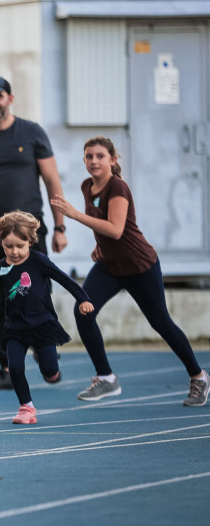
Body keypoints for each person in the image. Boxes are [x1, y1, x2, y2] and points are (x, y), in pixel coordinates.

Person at [50, 136, 208, 406]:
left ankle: (199, 377)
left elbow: (116, 228)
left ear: (113, 159)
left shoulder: (118, 188)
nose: (94, 161)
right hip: (110, 266)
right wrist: (101, 249)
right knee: (83, 310)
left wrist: (74, 215)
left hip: (139, 265)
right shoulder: (87, 186)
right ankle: (106, 379)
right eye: (89, 156)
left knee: (161, 322)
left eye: (100, 156)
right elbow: (103, 228)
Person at [0, 75, 69, 391]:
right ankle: (6, 366)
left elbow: (52, 182)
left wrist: (60, 227)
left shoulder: (32, 133)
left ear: (10, 98)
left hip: (30, 235)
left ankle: (45, 353)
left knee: (36, 298)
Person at [0, 211, 94, 424]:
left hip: (42, 324)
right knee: (14, 367)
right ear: (1, 244)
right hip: (15, 327)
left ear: (30, 242)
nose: (14, 252)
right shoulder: (0, 269)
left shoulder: (39, 261)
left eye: (20, 246)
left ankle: (49, 367)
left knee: (50, 371)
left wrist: (83, 299)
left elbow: (64, 279)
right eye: (8, 246)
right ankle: (27, 408)